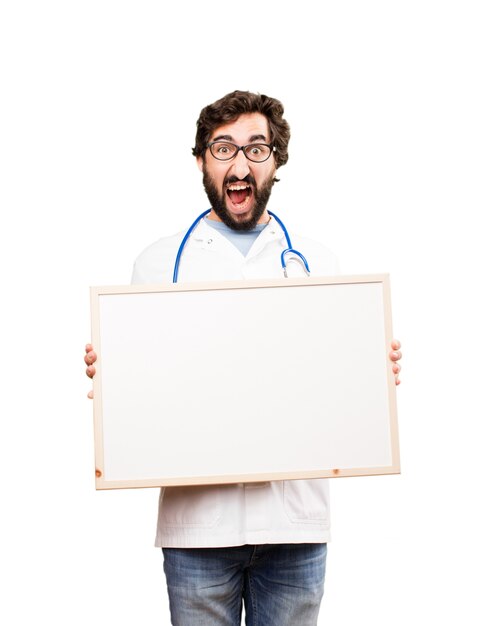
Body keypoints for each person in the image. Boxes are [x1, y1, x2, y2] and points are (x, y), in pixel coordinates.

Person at [85, 90, 402, 626]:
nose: (239, 163)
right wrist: (113, 384)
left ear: (276, 160)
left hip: (295, 525)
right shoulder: (158, 264)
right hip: (198, 530)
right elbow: (141, 394)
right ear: (200, 161)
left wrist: (372, 372)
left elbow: (340, 388)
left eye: (257, 148)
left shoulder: (319, 262)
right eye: (223, 147)